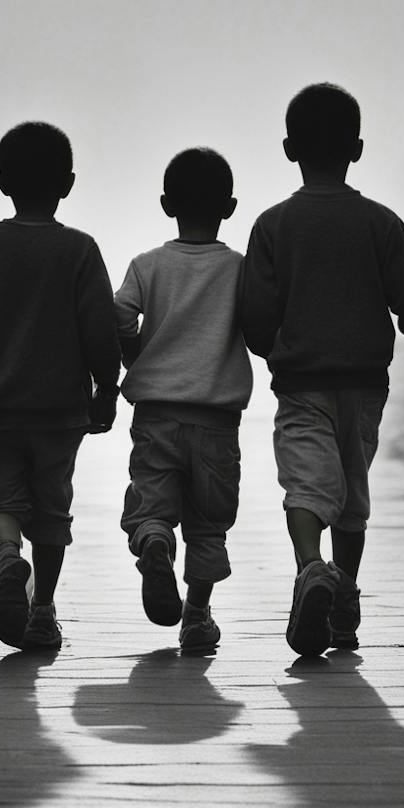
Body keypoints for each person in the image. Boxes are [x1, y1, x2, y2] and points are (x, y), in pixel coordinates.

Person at [240, 83, 404, 657]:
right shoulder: (382, 224)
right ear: (357, 149)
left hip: (302, 382)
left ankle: (312, 570)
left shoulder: (272, 226)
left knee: (307, 486)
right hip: (364, 382)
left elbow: (256, 312)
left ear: (289, 149)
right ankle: (346, 593)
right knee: (353, 492)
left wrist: (273, 346)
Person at [0, 121, 121, 651]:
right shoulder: (80, 252)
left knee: (5, 499)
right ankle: (42, 610)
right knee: (53, 511)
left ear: (1, 182)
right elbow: (100, 331)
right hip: (61, 414)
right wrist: (107, 390)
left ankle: (8, 558)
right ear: (69, 183)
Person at [115, 148, 253, 649]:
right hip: (217, 419)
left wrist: (138, 355)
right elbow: (261, 323)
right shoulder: (240, 269)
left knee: (153, 500)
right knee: (209, 522)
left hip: (156, 415)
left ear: (165, 203)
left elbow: (118, 315)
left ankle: (154, 539)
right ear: (230, 206)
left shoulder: (147, 265)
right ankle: (197, 614)